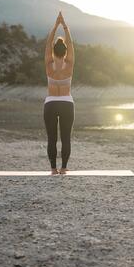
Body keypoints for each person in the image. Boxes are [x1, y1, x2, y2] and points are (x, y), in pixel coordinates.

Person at [44, 11, 75, 175]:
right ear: (65, 52)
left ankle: (52, 169)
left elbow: (48, 44)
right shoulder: (69, 64)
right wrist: (65, 26)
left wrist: (56, 26)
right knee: (65, 137)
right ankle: (63, 168)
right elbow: (71, 45)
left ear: (54, 51)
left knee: (52, 138)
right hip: (66, 103)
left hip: (50, 103)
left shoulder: (49, 64)